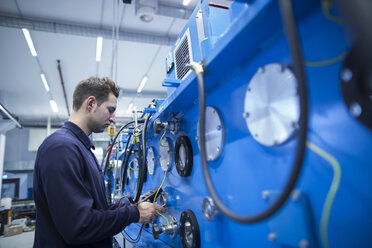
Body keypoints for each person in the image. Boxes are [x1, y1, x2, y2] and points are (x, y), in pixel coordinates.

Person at [33, 77, 163, 248]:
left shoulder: (81, 148)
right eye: (110, 110)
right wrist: (134, 213)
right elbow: (79, 227)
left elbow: (92, 209)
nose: (114, 119)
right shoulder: (61, 148)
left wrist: (125, 207)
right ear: (91, 103)